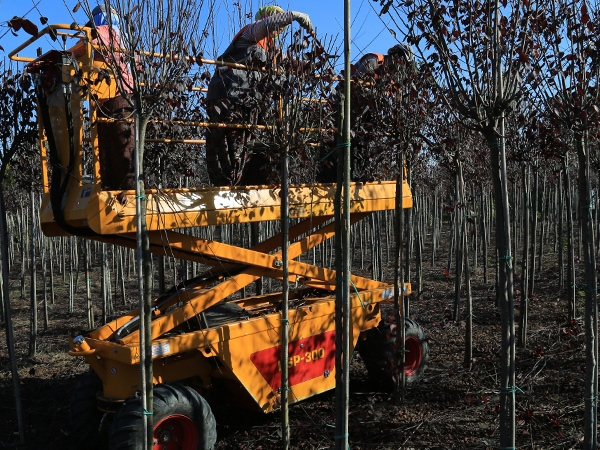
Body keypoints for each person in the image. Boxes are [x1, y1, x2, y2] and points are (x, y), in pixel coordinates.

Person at [205, 5, 313, 186]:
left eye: (283, 28)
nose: (280, 30)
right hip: (227, 99)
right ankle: (225, 184)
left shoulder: (270, 50)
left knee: (245, 148)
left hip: (247, 103)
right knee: (224, 148)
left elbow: (290, 63)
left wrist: (310, 65)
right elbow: (266, 25)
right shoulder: (250, 33)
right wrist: (294, 15)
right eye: (280, 24)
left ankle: (240, 182)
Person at [317, 43, 414, 183]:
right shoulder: (374, 61)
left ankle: (357, 172)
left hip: (360, 112)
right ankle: (328, 173)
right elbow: (353, 84)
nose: (401, 65)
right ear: (395, 56)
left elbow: (389, 103)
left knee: (364, 140)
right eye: (401, 60)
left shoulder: (391, 79)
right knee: (333, 140)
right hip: (341, 104)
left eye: (404, 64)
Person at [71, 4, 135, 190]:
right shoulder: (122, 37)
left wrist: (85, 33)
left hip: (116, 94)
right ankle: (115, 188)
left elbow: (79, 50)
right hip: (109, 96)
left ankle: (127, 190)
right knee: (109, 147)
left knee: (118, 148)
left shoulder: (106, 32)